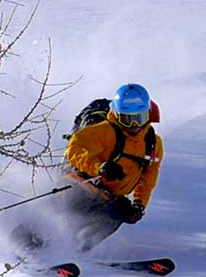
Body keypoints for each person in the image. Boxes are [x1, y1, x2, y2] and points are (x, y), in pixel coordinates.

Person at [61, 82, 162, 249]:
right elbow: (75, 149)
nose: (134, 126)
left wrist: (138, 205)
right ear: (116, 114)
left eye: (139, 118)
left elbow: (148, 178)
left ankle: (80, 248)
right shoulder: (105, 131)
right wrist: (99, 167)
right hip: (81, 183)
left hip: (108, 196)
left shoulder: (153, 143)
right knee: (71, 209)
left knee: (120, 212)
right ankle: (36, 241)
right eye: (127, 120)